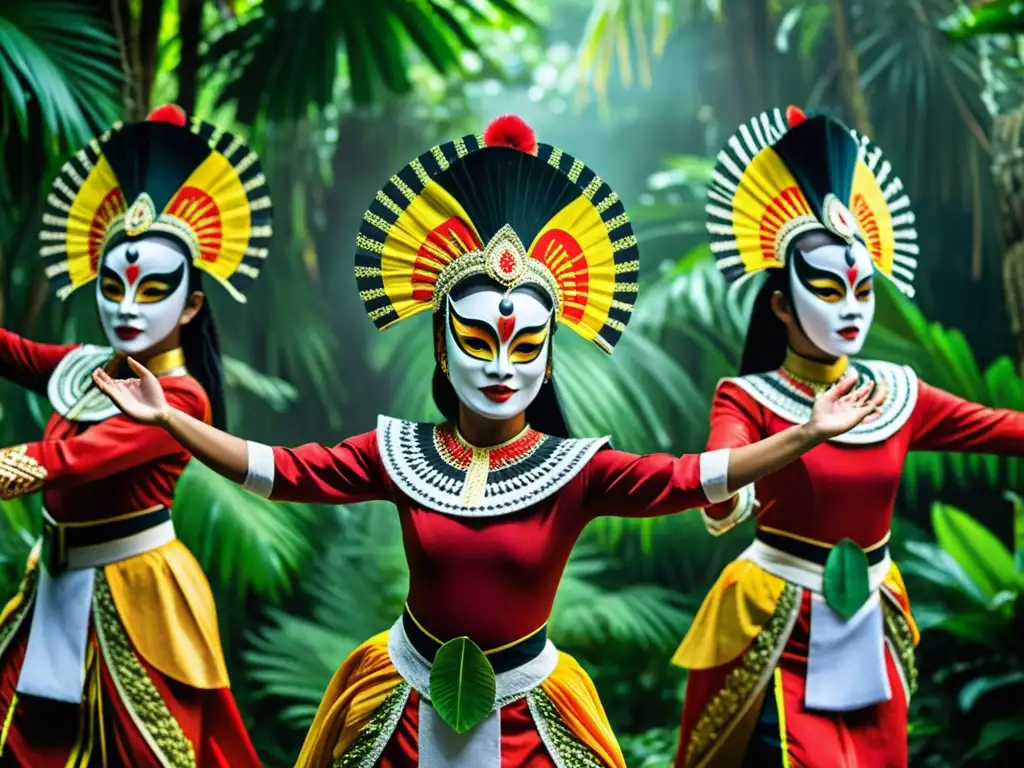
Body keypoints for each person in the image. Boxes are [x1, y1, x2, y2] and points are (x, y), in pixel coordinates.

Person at [94, 114, 876, 768]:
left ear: (547, 357)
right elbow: (279, 471)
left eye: (525, 345)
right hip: (399, 699)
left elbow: (691, 476)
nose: (502, 364)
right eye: (477, 338)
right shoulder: (396, 452)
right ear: (440, 348)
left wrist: (804, 432)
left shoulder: (578, 471)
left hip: (531, 712)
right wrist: (172, 419)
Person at [672, 105, 1024, 768]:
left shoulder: (897, 391)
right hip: (777, 622)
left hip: (870, 615)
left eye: (862, 288)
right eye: (828, 288)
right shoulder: (747, 396)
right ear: (780, 303)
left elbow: (1008, 430)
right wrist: (806, 433)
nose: (851, 307)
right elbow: (718, 483)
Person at [0, 104, 268, 767]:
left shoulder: (181, 398)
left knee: (148, 753)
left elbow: (73, 460)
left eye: (152, 290)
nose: (126, 305)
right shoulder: (85, 366)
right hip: (56, 582)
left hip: (137, 596)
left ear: (192, 304)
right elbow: (9, 351)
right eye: (114, 285)